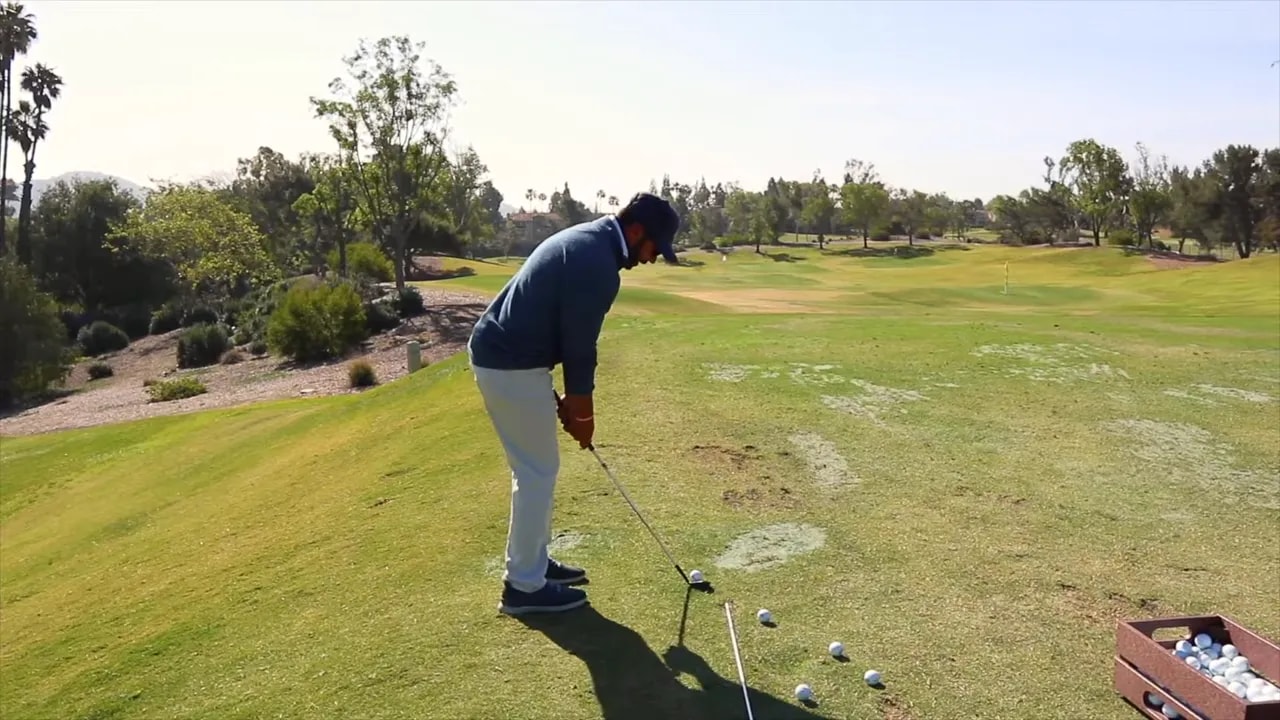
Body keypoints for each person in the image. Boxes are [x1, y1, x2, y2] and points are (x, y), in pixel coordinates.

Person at [467, 192, 681, 615]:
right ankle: (524, 586)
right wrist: (582, 411)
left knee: (538, 468)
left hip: (513, 357)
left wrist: (570, 401)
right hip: (510, 363)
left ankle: (535, 564)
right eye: (655, 246)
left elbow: (566, 333)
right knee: (536, 471)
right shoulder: (597, 262)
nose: (654, 257)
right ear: (636, 231)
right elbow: (580, 346)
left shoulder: (592, 242)